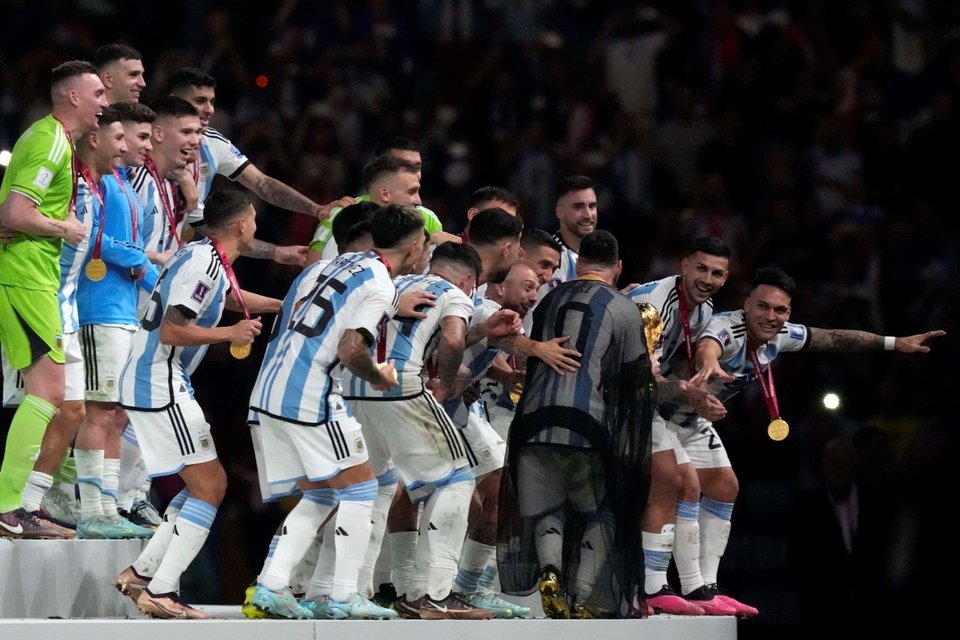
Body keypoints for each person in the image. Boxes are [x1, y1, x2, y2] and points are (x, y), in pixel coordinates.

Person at [685, 266, 946, 617]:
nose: (771, 316)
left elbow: (835, 338)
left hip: (694, 420)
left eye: (780, 310)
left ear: (788, 313)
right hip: (663, 411)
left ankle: (704, 588)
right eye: (762, 306)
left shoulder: (781, 335)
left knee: (725, 487)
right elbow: (709, 345)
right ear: (746, 304)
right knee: (679, 488)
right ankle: (662, 585)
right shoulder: (725, 326)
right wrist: (708, 364)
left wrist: (894, 343)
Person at [246, 204, 426, 620]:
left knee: (322, 492)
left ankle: (271, 586)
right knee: (362, 487)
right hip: (310, 395)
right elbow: (350, 349)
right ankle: (343, 595)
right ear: (414, 246)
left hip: (269, 387)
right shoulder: (381, 285)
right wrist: (379, 376)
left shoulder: (334, 263)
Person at [114, 190, 280, 619]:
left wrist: (283, 306)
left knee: (201, 486)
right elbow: (172, 331)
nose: (255, 225)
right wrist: (230, 334)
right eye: (254, 219)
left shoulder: (204, 256)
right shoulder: (204, 263)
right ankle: (162, 590)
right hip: (158, 382)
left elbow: (225, 297)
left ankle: (142, 574)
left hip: (159, 381)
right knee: (211, 486)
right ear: (242, 224)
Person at [498, 229, 655, 619]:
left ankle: (550, 573)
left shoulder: (549, 298)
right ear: (618, 268)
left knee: (547, 505)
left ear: (579, 263)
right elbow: (637, 378)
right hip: (586, 424)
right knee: (602, 511)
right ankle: (582, 597)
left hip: (532, 422)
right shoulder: (623, 307)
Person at [0, 61, 108, 538]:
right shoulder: (49, 141)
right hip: (24, 276)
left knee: (50, 393)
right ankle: (8, 504)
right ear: (73, 97)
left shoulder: (55, 141)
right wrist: (64, 227)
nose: (104, 103)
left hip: (35, 276)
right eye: (98, 94)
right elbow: (15, 212)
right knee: (48, 392)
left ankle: (16, 504)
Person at [625, 236, 739, 615]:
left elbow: (669, 371)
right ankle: (655, 586)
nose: (707, 279)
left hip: (649, 400)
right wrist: (687, 393)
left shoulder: (704, 310)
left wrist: (697, 393)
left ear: (726, 278)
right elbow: (641, 377)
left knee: (708, 484)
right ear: (684, 264)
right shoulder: (653, 305)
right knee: (676, 481)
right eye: (701, 268)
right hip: (617, 398)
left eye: (717, 273)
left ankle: (697, 588)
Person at [70, 103, 159, 540]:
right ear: (99, 137)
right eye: (123, 138)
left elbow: (131, 249)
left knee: (117, 412)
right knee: (100, 411)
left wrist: (154, 282)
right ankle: (92, 509)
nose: (129, 147)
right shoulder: (98, 182)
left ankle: (108, 506)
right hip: (99, 306)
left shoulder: (119, 181)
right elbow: (91, 237)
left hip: (123, 309)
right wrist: (138, 262)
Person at [167, 67, 343, 255]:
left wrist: (316, 209)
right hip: (148, 252)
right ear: (175, 101)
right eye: (200, 101)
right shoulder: (151, 141)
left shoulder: (212, 142)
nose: (210, 109)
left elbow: (262, 183)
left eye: (212, 102)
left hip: (169, 254)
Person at [306, 138, 456, 264]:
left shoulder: (427, 218)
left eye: (417, 167)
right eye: (404, 165)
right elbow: (311, 273)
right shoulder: (343, 215)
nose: (414, 173)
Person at [541, 175, 598, 294]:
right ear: (560, 212)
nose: (588, 215)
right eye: (578, 207)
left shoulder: (599, 253)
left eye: (592, 206)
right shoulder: (552, 259)